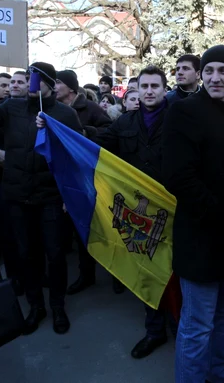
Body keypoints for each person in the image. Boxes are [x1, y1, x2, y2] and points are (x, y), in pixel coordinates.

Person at [0, 59, 82, 336]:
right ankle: (36, 307)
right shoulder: (11, 108)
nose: (31, 83)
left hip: (51, 196)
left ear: (51, 85)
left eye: (37, 79)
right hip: (18, 195)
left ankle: (57, 307)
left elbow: (76, 154)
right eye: (29, 77)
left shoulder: (65, 114)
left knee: (55, 255)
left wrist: (71, 194)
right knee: (26, 254)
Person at [163, 45, 224, 383]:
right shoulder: (185, 111)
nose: (216, 78)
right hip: (202, 233)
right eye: (210, 70)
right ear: (201, 74)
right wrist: (217, 213)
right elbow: (178, 175)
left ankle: (220, 376)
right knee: (198, 324)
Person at [86, 65, 177, 359]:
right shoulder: (124, 123)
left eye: (155, 86)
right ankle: (154, 331)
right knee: (148, 269)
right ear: (135, 91)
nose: (149, 91)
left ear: (165, 89)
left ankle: (180, 326)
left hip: (174, 209)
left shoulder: (180, 121)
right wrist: (57, 130)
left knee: (177, 269)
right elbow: (95, 149)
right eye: (143, 86)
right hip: (140, 213)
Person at [55, 69, 112, 138]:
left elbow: (109, 130)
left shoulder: (91, 107)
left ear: (71, 88)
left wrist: (87, 132)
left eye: (58, 82)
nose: (54, 86)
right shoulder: (54, 108)